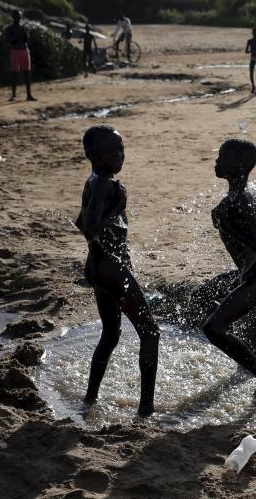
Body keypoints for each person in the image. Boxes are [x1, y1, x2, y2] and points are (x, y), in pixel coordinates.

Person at [75, 125, 160, 416]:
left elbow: (79, 221)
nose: (121, 155)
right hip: (109, 269)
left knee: (110, 335)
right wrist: (119, 206)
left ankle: (89, 399)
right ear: (94, 155)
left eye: (122, 149)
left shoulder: (95, 180)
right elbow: (88, 228)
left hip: (98, 267)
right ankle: (146, 408)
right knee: (150, 332)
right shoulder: (103, 184)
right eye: (114, 151)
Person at [204, 139, 256, 402]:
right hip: (252, 274)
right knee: (219, 311)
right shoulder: (235, 196)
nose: (216, 162)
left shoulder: (241, 199)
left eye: (222, 157)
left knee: (213, 328)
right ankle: (247, 362)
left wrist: (227, 223)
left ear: (237, 165)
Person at [3, 10, 36, 101]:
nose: (18, 18)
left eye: (19, 16)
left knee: (27, 73)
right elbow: (8, 40)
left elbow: (27, 40)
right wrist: (17, 37)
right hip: (16, 51)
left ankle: (29, 95)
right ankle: (14, 95)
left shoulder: (22, 28)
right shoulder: (9, 29)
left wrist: (23, 37)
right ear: (13, 17)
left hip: (24, 50)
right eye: (16, 16)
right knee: (15, 73)